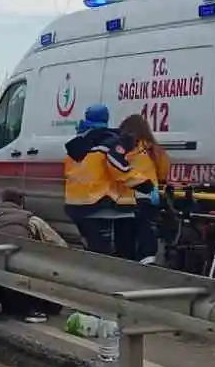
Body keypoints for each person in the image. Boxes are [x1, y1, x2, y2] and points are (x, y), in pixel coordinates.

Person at [63, 104, 157, 256]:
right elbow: (118, 168)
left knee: (94, 249)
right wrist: (145, 185)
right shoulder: (109, 141)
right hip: (101, 204)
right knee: (113, 252)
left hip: (77, 204)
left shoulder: (77, 144)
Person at [0, 188, 66, 321]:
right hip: (19, 278)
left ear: (0, 202)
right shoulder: (31, 219)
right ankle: (28, 311)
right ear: (21, 204)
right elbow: (60, 246)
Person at [116, 114, 171, 262]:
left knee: (125, 234)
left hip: (127, 197)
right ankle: (147, 260)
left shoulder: (122, 148)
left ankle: (126, 263)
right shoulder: (154, 149)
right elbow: (163, 172)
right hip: (149, 195)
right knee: (147, 230)